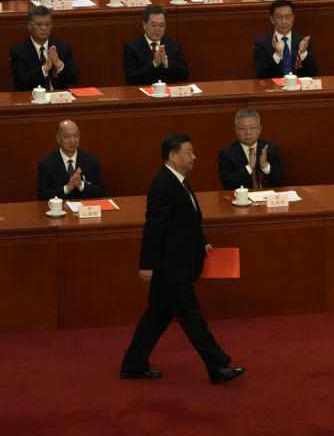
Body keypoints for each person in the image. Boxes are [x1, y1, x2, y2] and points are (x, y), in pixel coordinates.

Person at [120, 132, 245, 384]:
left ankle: (133, 364)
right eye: (189, 152)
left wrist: (203, 241)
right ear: (172, 155)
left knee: (156, 316)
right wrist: (146, 265)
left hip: (178, 264)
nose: (193, 157)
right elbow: (153, 228)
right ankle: (218, 366)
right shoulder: (163, 184)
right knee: (192, 318)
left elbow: (186, 221)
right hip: (171, 269)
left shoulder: (178, 180)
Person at [9, 5, 79, 91]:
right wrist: (44, 68)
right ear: (29, 26)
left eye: (47, 24)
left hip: (58, 99)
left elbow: (74, 78)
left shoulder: (62, 47)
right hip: (32, 98)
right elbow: (20, 81)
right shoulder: (18, 51)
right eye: (38, 24)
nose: (44, 28)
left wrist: (59, 64)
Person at [36, 119, 106, 200]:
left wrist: (81, 185)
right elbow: (42, 196)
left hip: (84, 210)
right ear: (58, 138)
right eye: (67, 136)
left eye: (76, 136)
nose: (72, 141)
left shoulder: (91, 161)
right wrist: (67, 188)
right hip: (59, 211)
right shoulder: (46, 164)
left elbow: (101, 192)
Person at [217, 109, 284, 190]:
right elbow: (228, 184)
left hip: (267, 198)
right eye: (242, 128)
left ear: (259, 129)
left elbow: (280, 182)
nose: (248, 132)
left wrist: (265, 166)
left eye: (252, 128)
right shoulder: (227, 154)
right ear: (235, 130)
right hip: (242, 200)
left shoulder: (270, 149)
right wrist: (249, 168)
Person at [123, 5, 189, 86]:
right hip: (144, 95)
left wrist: (167, 63)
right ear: (144, 25)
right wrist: (154, 64)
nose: (157, 29)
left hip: (168, 95)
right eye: (153, 25)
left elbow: (184, 75)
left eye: (161, 25)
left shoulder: (173, 44)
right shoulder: (132, 47)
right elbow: (131, 79)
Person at [253, 0, 318, 78]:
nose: (284, 21)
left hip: (298, 87)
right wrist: (277, 55)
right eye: (279, 17)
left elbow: (313, 73)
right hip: (274, 87)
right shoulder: (262, 43)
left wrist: (303, 53)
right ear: (272, 19)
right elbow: (262, 74)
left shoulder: (303, 42)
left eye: (287, 17)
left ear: (293, 18)